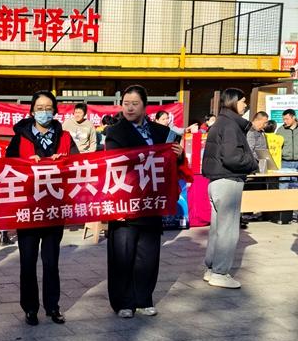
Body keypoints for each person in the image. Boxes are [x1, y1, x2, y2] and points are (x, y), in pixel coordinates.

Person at [105, 85, 184, 318]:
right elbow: (113, 165)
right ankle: (123, 302)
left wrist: (179, 155)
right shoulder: (115, 131)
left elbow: (173, 165)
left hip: (152, 201)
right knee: (123, 255)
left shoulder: (162, 132)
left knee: (148, 255)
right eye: (126, 103)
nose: (129, 108)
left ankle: (143, 298)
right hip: (125, 201)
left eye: (135, 103)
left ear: (145, 106)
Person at [6, 90, 79, 326]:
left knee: (51, 261)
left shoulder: (65, 137)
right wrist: (25, 164)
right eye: (39, 108)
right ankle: (30, 308)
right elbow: (7, 167)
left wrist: (63, 161)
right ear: (31, 111)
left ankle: (53, 306)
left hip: (54, 209)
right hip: (28, 210)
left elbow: (78, 165)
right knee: (27, 262)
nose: (44, 112)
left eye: (48, 108)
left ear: (55, 111)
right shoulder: (20, 138)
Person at [201, 88, 258, 289]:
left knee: (218, 229)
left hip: (217, 181)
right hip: (228, 180)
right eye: (243, 101)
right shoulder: (231, 125)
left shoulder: (220, 123)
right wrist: (252, 163)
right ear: (234, 101)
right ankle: (220, 272)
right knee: (227, 231)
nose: (245, 105)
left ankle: (212, 269)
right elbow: (232, 157)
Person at [276, 108, 298, 189]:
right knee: (283, 186)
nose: (285, 121)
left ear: (294, 117)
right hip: (285, 163)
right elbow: (276, 146)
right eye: (283, 119)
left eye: (287, 119)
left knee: (296, 187)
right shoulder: (280, 130)